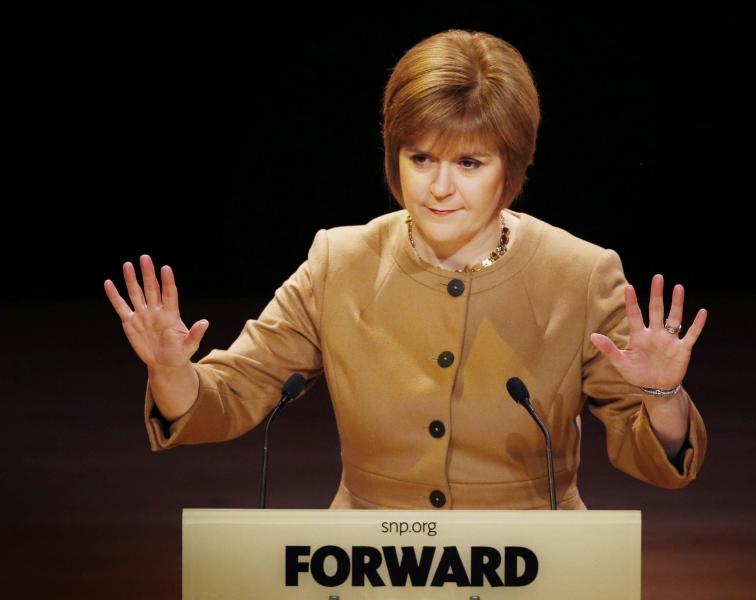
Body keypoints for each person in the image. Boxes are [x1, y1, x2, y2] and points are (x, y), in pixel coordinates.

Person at [104, 29, 708, 510]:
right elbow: (232, 394)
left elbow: (656, 456)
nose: (440, 187)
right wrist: (170, 371)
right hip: (368, 564)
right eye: (421, 158)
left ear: (511, 168)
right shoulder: (338, 262)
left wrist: (662, 394)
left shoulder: (580, 273)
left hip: (531, 564)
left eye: (469, 163)